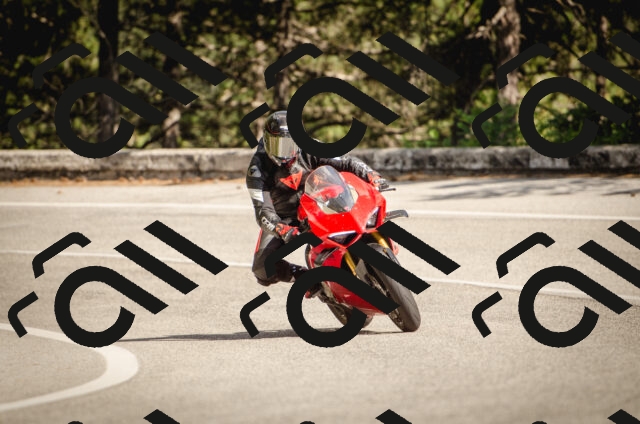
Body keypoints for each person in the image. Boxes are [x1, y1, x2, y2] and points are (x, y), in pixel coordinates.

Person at [246, 110, 387, 288]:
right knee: (262, 268)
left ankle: (377, 245)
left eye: (290, 144)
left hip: (321, 203)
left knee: (366, 215)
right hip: (286, 217)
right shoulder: (257, 170)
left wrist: (372, 175)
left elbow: (346, 161)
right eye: (278, 145)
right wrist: (281, 228)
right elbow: (262, 211)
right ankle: (310, 280)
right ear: (267, 141)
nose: (285, 152)